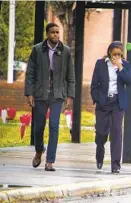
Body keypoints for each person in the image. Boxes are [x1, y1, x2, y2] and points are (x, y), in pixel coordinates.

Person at [25, 22, 75, 171]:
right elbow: (30, 73)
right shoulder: (37, 50)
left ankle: (50, 161)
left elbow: (70, 75)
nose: (56, 35)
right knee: (39, 126)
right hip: (41, 93)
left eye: (57, 32)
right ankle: (39, 150)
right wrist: (29, 93)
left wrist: (69, 96)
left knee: (54, 126)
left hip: (57, 93)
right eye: (53, 32)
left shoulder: (65, 51)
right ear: (47, 34)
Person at [90, 41, 131, 173]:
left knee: (116, 132)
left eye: (119, 54)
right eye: (115, 54)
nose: (117, 57)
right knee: (102, 132)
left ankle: (115, 165)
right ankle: (100, 151)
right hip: (103, 102)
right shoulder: (100, 64)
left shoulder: (125, 65)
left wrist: (120, 67)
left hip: (117, 103)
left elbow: (129, 81)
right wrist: (98, 99)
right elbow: (94, 85)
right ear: (109, 53)